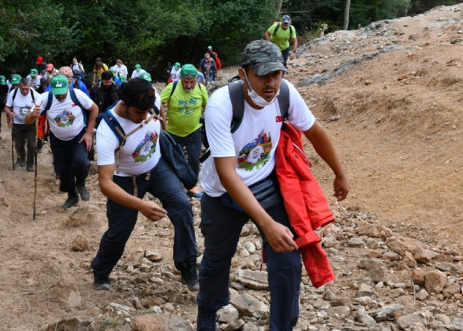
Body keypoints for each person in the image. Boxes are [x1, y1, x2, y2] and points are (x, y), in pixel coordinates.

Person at [196, 40, 350, 330]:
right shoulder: (221, 105)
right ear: (243, 73)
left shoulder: (285, 93)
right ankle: (207, 310)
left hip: (266, 183)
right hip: (222, 192)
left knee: (289, 263)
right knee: (218, 258)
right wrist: (266, 223)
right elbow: (228, 174)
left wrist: (339, 172)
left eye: (276, 74)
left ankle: (282, 326)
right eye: (263, 75)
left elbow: (315, 131)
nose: (271, 83)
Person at [90, 78, 198, 291]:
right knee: (120, 230)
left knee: (182, 207)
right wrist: (140, 205)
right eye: (140, 113)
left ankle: (188, 265)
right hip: (126, 178)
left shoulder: (151, 100)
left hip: (157, 167)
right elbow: (105, 183)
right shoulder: (108, 130)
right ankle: (101, 270)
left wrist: (164, 132)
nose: (146, 116)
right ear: (124, 105)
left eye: (149, 111)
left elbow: (160, 117)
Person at [27, 75, 99, 210]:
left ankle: (81, 183)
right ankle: (72, 196)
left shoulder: (76, 94)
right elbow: (27, 120)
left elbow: (94, 109)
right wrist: (32, 114)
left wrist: (89, 132)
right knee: (63, 171)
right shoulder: (44, 98)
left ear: (68, 87)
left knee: (82, 162)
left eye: (62, 93)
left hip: (78, 136)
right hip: (58, 140)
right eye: (57, 93)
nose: (60, 96)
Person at [160, 64, 208, 199]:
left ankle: (191, 186)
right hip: (173, 132)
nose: (188, 85)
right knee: (174, 159)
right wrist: (163, 123)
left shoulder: (201, 88)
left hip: (194, 131)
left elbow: (208, 108)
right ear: (180, 78)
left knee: (194, 159)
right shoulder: (172, 87)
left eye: (192, 82)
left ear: (196, 79)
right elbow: (158, 104)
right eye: (185, 82)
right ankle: (175, 186)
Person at [4, 78, 39, 171]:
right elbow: (7, 107)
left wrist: (36, 113)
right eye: (22, 89)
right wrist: (9, 114)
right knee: (19, 144)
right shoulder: (13, 93)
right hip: (17, 123)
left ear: (30, 87)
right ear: (19, 87)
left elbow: (41, 106)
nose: (25, 91)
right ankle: (22, 159)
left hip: (31, 123)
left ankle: (30, 164)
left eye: (27, 89)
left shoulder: (34, 94)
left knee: (31, 144)